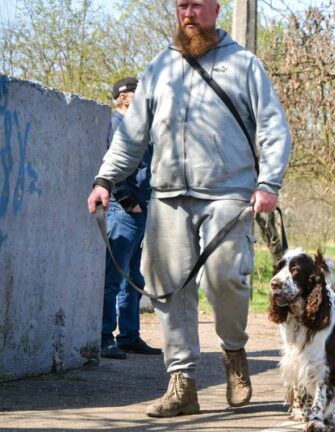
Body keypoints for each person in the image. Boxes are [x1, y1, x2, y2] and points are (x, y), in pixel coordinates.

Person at [86, 0, 292, 417]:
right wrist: (105, 179)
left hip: (228, 194)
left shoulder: (245, 64)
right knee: (167, 288)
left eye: (197, 5)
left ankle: (234, 353)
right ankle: (183, 383)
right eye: (182, 5)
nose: (189, 13)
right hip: (167, 195)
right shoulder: (159, 68)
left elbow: (273, 127)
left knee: (226, 280)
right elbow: (131, 136)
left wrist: (269, 182)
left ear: (217, 9)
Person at [100, 77, 161, 360]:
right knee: (113, 276)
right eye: (139, 93)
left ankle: (129, 336)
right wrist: (129, 202)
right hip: (124, 210)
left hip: (141, 208)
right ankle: (103, 337)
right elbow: (114, 167)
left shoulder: (141, 127)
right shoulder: (117, 124)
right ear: (124, 98)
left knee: (133, 276)